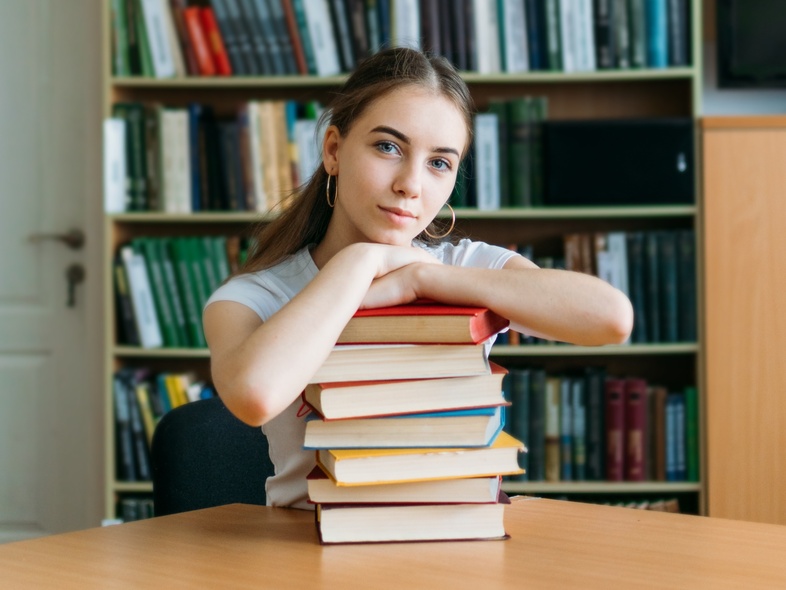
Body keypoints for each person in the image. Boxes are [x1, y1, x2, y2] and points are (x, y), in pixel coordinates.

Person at [203, 47, 633, 509]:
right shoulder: (254, 296)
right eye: (388, 147)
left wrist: (423, 279)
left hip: (456, 544)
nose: (411, 183)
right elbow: (254, 395)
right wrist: (358, 264)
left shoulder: (464, 268)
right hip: (310, 552)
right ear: (333, 150)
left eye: (439, 163)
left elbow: (611, 319)